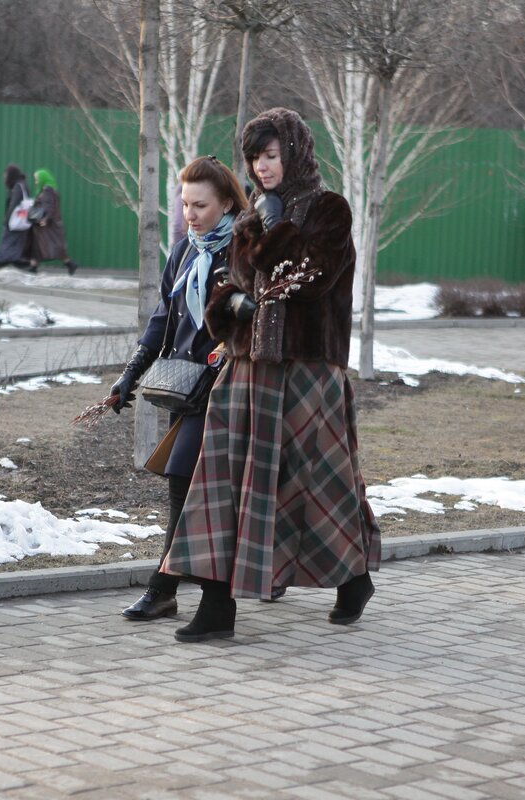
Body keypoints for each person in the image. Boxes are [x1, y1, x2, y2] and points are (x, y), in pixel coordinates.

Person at [158, 108, 381, 644]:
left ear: (295, 154)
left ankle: (354, 577)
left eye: (272, 155)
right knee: (222, 483)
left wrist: (272, 228)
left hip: (308, 372)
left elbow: (307, 278)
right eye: (255, 157)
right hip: (246, 369)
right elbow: (228, 286)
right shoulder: (251, 218)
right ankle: (217, 606)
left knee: (318, 487)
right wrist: (232, 304)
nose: (262, 167)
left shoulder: (329, 211)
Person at [109, 156, 249, 622]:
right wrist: (130, 374)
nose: (190, 214)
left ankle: (163, 589)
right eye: (185, 204)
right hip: (184, 389)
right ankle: (192, 589)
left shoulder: (244, 253)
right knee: (194, 489)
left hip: (226, 389)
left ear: (226, 203)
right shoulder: (185, 251)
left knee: (184, 484)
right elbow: (163, 319)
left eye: (200, 205)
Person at [26, 169, 78, 276]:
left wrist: (46, 219)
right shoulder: (47, 190)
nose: (36, 182)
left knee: (53, 246)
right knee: (38, 245)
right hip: (45, 224)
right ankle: (33, 267)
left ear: (43, 178)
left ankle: (69, 264)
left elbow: (50, 207)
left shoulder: (47, 190)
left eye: (37, 179)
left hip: (48, 225)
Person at [0, 164, 32, 269]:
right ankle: (16, 260)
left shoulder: (18, 186)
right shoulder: (23, 184)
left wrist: (7, 219)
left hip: (14, 220)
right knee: (16, 241)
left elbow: (13, 204)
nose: (4, 177)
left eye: (6, 175)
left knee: (7, 239)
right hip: (22, 219)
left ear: (11, 175)